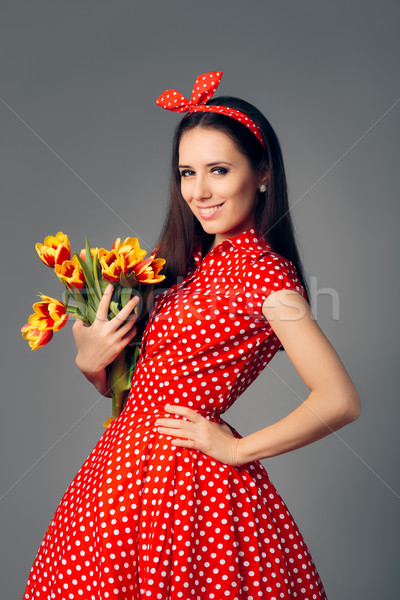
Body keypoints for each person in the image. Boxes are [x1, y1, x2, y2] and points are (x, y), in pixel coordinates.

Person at [23, 71, 360, 600]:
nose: (199, 192)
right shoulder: (194, 264)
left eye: (219, 170)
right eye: (187, 172)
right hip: (118, 478)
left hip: (184, 494)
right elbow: (139, 391)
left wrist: (239, 450)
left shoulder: (264, 275)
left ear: (263, 172)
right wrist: (91, 362)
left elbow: (339, 400)